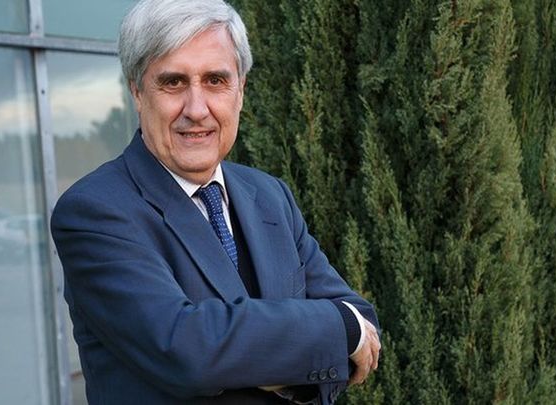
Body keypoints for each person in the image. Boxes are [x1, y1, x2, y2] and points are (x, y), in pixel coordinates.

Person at [50, 0, 381, 403]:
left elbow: (362, 318)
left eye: (215, 80)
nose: (196, 109)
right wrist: (336, 332)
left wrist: (274, 364)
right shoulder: (95, 212)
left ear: (241, 90)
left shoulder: (270, 196)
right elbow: (188, 349)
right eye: (173, 82)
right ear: (137, 91)